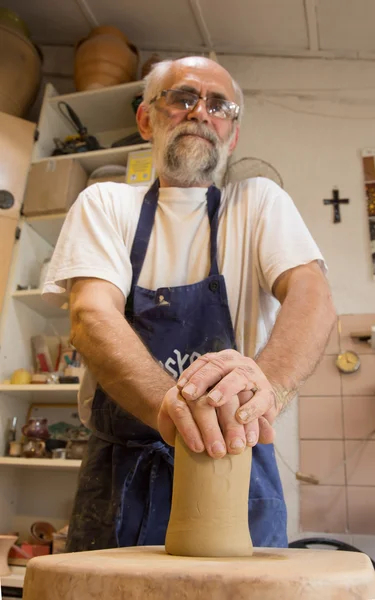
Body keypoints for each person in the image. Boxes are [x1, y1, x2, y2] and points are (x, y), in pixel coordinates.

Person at [43, 56, 336, 552]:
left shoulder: (258, 204)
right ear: (146, 118)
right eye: (182, 97)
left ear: (233, 134)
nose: (201, 111)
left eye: (219, 105)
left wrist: (266, 385)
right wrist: (170, 406)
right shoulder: (106, 203)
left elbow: (313, 296)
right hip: (121, 479)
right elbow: (91, 314)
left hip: (236, 464)